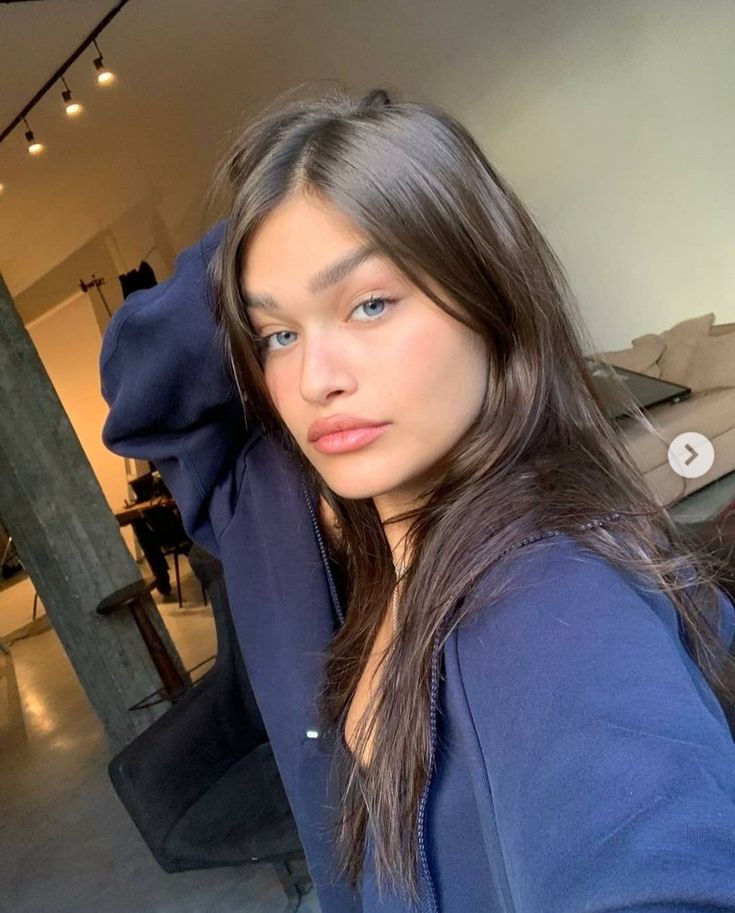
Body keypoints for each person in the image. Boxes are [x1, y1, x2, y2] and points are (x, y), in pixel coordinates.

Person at [100, 84, 735, 913]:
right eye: (278, 334)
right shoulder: (321, 525)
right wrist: (289, 193)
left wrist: (338, 174)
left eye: (369, 304)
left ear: (491, 299)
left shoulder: (548, 596)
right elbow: (143, 394)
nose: (315, 379)